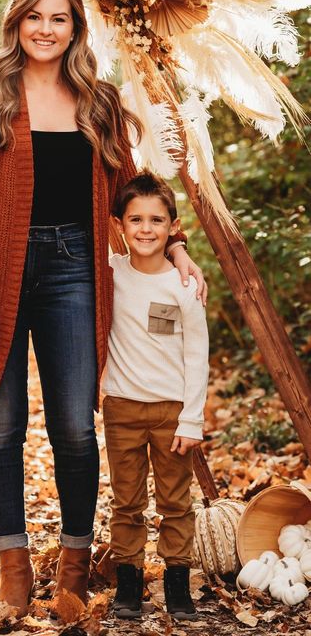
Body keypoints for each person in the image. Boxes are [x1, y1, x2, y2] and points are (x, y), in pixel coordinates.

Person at [0, 0, 206, 616]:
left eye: (58, 19)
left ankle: (72, 564)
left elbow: (134, 194)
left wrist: (173, 244)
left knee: (72, 426)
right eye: (34, 17)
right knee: (0, 426)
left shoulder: (100, 103)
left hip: (74, 271)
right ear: (16, 24)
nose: (45, 29)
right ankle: (13, 568)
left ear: (75, 29)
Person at [104, 171, 209, 623]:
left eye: (156, 220)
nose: (145, 229)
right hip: (122, 408)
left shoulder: (182, 284)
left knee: (174, 503)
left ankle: (177, 586)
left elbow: (197, 353)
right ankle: (128, 586)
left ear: (172, 227)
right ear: (121, 226)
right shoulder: (110, 273)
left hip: (171, 412)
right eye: (135, 220)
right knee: (126, 503)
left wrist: (192, 419)